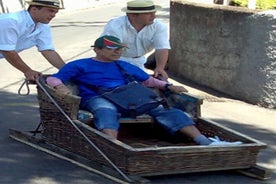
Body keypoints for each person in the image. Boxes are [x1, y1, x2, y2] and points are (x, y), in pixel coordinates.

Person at [46, 35, 242, 146]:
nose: (117, 51)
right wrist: (61, 87)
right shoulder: (80, 65)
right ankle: (113, 146)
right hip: (98, 96)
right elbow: (54, 78)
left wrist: (168, 86)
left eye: (119, 48)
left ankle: (203, 140)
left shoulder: (123, 65)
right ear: (97, 49)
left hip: (130, 95)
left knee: (163, 110)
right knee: (106, 110)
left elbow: (148, 81)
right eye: (112, 48)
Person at [101, 0, 170, 79]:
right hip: (115, 61)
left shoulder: (158, 27)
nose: (154, 16)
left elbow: (162, 48)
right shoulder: (115, 26)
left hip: (139, 61)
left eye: (154, 12)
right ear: (133, 15)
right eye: (148, 13)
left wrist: (160, 68)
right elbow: (109, 50)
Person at [0, 0, 65, 81]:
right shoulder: (11, 21)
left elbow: (47, 50)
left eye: (56, 12)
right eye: (50, 11)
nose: (53, 15)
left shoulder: (42, 25)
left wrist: (67, 70)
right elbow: (7, 51)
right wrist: (27, 71)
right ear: (34, 9)